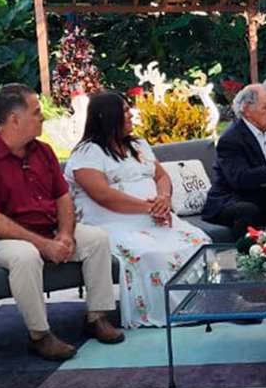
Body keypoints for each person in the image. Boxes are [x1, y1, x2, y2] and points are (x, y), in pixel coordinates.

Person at [0, 84, 123, 361]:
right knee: (25, 255)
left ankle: (97, 317)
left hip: (47, 230)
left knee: (96, 239)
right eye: (36, 112)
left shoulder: (43, 152)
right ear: (15, 119)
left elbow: (63, 198)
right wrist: (45, 245)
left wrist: (66, 235)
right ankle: (40, 335)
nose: (43, 117)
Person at [64, 92, 212, 328]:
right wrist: (150, 207)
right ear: (108, 116)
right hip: (113, 223)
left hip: (155, 218)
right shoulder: (87, 153)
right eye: (124, 110)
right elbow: (103, 195)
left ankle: (206, 303)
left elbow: (161, 176)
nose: (131, 114)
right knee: (154, 253)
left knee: (199, 242)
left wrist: (164, 198)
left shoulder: (138, 145)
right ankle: (173, 310)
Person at [201, 83, 266, 238]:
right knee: (247, 210)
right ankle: (245, 253)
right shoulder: (231, 139)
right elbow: (241, 179)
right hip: (230, 201)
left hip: (263, 199)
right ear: (247, 110)